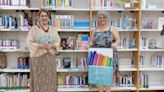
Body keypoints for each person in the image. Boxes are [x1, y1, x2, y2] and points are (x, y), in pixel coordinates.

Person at [26, 9, 60, 92]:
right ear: (39, 18)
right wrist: (41, 46)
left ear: (48, 18)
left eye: (46, 16)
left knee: (50, 81)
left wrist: (52, 45)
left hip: (50, 60)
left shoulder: (53, 29)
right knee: (38, 82)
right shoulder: (34, 29)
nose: (44, 18)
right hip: (38, 60)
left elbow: (58, 41)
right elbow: (29, 42)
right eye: (42, 16)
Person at [91, 11, 120, 92]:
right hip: (98, 56)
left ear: (107, 18)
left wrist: (115, 43)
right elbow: (91, 42)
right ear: (97, 19)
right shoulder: (95, 30)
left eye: (104, 17)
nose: (102, 19)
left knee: (108, 77)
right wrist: (87, 45)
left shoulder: (112, 29)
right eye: (100, 17)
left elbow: (118, 40)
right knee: (98, 77)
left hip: (110, 56)